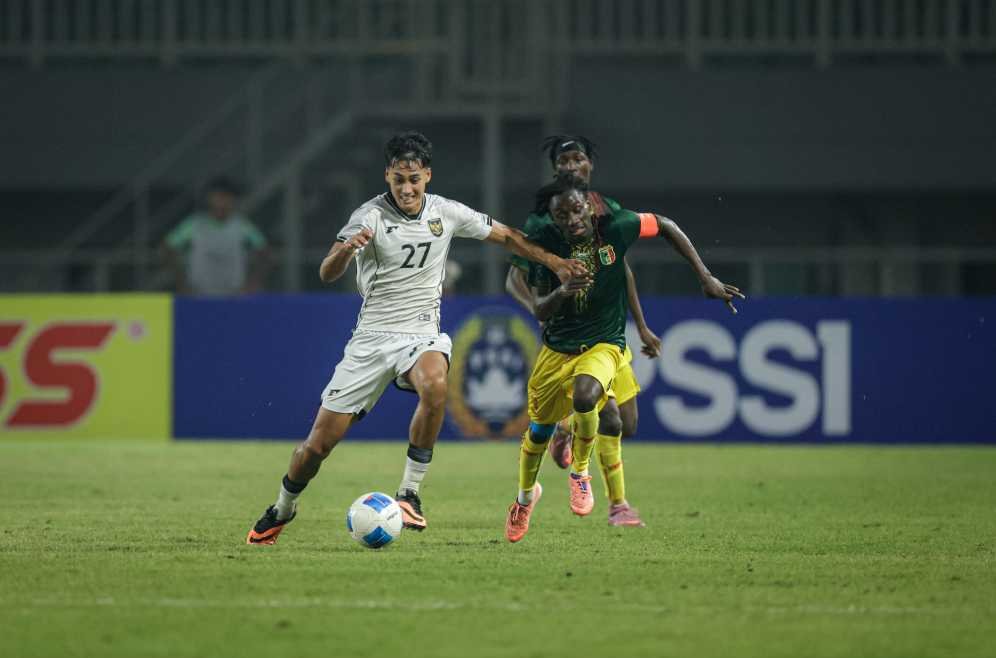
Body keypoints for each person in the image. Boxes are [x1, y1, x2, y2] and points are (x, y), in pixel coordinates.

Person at [247, 131, 587, 545]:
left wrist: (556, 262)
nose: (406, 188)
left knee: (436, 383)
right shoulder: (368, 216)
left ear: (427, 175)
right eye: (398, 180)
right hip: (371, 341)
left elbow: (510, 236)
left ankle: (409, 493)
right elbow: (326, 273)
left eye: (414, 179)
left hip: (421, 334)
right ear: (387, 176)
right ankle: (283, 507)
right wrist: (345, 250)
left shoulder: (446, 212)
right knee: (316, 448)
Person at [505, 173, 744, 543]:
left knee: (592, 401)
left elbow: (665, 225)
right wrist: (563, 291)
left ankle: (581, 474)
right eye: (562, 215)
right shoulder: (547, 248)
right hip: (557, 350)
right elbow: (540, 310)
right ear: (553, 219)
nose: (571, 219)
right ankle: (524, 500)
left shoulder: (617, 225)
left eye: (576, 210)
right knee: (537, 432)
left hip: (605, 343)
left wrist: (705, 276)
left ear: (589, 205)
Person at [505, 135, 661, 527]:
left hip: (609, 330)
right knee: (595, 405)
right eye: (564, 160)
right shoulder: (544, 220)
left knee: (627, 423)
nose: (572, 166)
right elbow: (514, 276)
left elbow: (620, 267)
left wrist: (641, 325)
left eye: (579, 159)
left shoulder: (607, 211)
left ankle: (568, 429)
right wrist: (542, 308)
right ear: (556, 169)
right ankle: (617, 503)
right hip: (571, 335)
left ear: (591, 165)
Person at [163, 176, 270, 295]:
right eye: (219, 197)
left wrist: (253, 283)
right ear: (209, 198)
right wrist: (181, 282)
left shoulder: (242, 226)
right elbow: (167, 248)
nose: (223, 202)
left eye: (228, 197)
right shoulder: (195, 224)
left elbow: (265, 251)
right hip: (200, 293)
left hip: (233, 294)